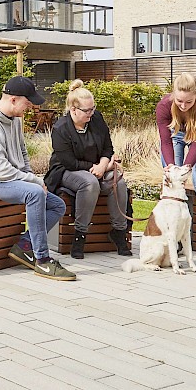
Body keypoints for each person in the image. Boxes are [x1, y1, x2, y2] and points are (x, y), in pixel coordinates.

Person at [0, 75, 76, 281]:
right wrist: (33, 182)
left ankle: (25, 247)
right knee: (35, 193)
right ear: (13, 100)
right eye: (28, 102)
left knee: (57, 205)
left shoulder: (14, 120)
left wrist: (30, 177)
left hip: (8, 180)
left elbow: (23, 154)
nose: (30, 107)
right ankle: (42, 260)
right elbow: (0, 171)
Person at [45, 80, 132, 259]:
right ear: (73, 109)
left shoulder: (96, 119)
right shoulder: (61, 128)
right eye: (87, 110)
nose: (91, 113)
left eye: (93, 108)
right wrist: (99, 168)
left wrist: (103, 165)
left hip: (98, 166)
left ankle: (119, 231)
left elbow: (108, 147)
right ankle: (80, 235)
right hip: (66, 171)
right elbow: (69, 162)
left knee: (119, 182)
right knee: (90, 183)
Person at [157, 72, 196, 257]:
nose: (183, 106)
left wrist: (187, 167)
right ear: (173, 95)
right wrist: (172, 167)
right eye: (179, 101)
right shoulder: (164, 106)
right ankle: (175, 238)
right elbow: (165, 141)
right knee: (174, 185)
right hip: (174, 137)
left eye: (188, 102)